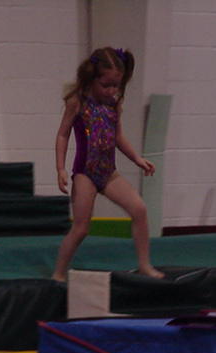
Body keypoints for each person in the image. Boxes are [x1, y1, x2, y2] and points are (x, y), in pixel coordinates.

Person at [51, 47, 164, 282]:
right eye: (106, 85)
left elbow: (118, 137)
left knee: (140, 209)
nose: (112, 90)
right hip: (85, 174)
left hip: (108, 173)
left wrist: (137, 159)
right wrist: (60, 168)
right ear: (91, 78)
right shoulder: (77, 102)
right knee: (81, 228)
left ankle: (144, 265)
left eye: (116, 85)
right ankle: (59, 272)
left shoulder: (114, 103)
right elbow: (62, 134)